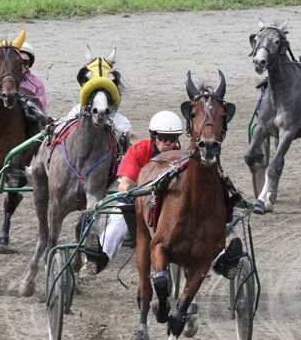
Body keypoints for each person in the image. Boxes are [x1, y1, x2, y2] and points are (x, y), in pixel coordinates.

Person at [91, 110, 243, 277]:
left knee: (196, 228)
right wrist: (133, 192)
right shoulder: (138, 150)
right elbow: (124, 184)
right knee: (118, 222)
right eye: (163, 138)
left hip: (165, 207)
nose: (168, 143)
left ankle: (222, 262)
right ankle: (101, 258)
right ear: (153, 136)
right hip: (135, 204)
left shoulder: (180, 157)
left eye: (172, 138)